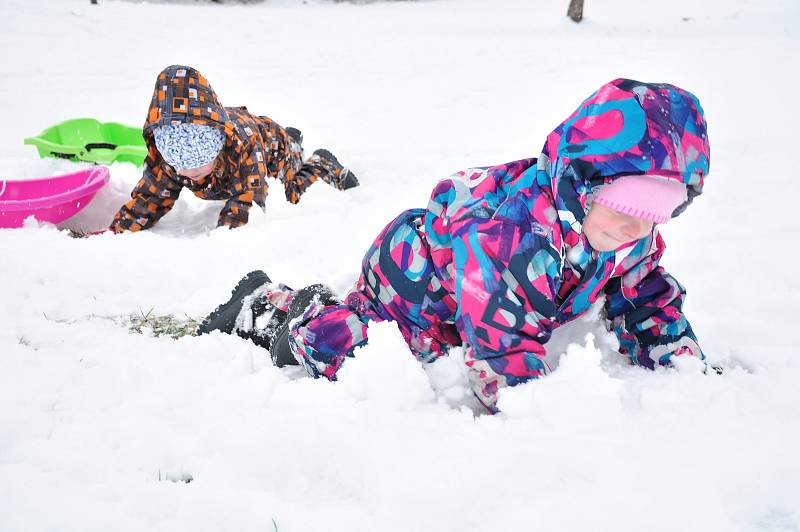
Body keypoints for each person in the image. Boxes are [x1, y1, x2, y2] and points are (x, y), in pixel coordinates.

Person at [197, 78, 710, 412]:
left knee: (475, 328)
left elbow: (644, 293)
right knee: (347, 350)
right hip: (415, 284)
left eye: (660, 215)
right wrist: (544, 422)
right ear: (583, 183)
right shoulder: (512, 239)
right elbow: (502, 355)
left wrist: (678, 359)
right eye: (626, 211)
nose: (637, 231)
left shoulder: (625, 232)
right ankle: (271, 309)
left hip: (483, 298)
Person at [109, 65, 358, 233]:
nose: (190, 172)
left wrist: (227, 240)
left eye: (199, 162)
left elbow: (248, 198)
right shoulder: (169, 157)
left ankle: (319, 162)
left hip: (269, 148)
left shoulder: (243, 148)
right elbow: (151, 197)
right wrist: (118, 230)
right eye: (180, 165)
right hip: (250, 133)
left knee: (291, 192)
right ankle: (293, 138)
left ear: (217, 146)